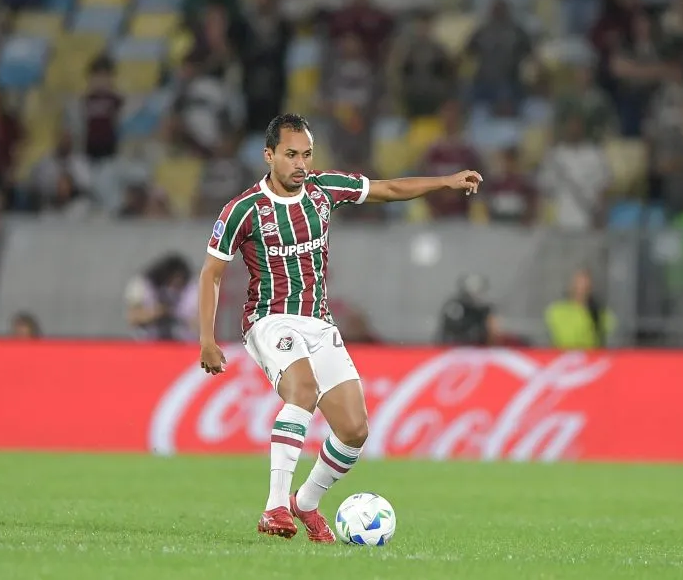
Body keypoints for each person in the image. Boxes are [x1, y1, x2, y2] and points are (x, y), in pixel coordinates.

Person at [198, 113, 482, 542]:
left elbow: (386, 189)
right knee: (303, 391)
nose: (300, 163)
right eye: (291, 154)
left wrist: (444, 182)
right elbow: (212, 274)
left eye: (306, 154)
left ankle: (305, 502)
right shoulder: (243, 210)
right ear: (269, 155)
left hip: (319, 321)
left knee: (354, 429)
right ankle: (274, 506)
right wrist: (207, 339)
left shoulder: (323, 190)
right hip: (269, 319)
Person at [124, 253, 198, 341]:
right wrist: (159, 312)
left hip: (183, 343)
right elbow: (133, 318)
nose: (173, 288)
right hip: (150, 341)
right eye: (171, 282)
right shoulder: (143, 286)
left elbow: (198, 323)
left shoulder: (193, 289)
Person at [437, 274, 499, 345]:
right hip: (454, 345)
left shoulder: (483, 310)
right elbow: (453, 327)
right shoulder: (455, 306)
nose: (477, 296)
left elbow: (491, 331)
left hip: (477, 347)